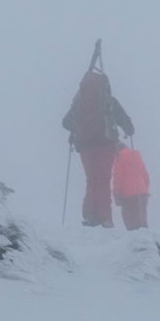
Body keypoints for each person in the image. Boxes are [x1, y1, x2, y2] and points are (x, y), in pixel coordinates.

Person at [62, 52, 132, 227]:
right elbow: (126, 122)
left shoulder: (79, 101)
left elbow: (65, 123)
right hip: (104, 144)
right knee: (103, 179)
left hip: (85, 146)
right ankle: (105, 218)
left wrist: (80, 125)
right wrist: (128, 130)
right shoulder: (108, 100)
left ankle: (89, 215)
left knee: (91, 179)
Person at [112, 144, 150, 231]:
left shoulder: (119, 157)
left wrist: (116, 194)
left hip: (128, 196)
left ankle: (136, 243)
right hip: (142, 194)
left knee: (131, 224)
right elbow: (146, 176)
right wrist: (145, 190)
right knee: (142, 223)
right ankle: (146, 241)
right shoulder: (137, 156)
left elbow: (118, 177)